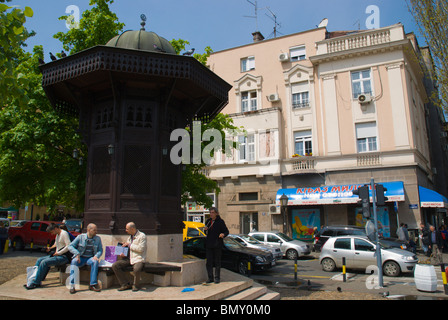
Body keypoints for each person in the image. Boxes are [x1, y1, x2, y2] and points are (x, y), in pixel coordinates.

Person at [25, 223, 72, 289]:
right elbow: (56, 244)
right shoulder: (58, 234)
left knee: (44, 262)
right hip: (57, 255)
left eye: (52, 232)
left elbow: (68, 246)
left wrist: (59, 253)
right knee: (39, 260)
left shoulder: (64, 233)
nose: (52, 234)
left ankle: (36, 283)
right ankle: (34, 279)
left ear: (56, 229)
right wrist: (49, 248)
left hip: (64, 257)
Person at [68, 223, 103, 294]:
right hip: (80, 257)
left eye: (96, 230)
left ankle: (92, 284)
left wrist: (96, 256)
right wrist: (77, 253)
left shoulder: (97, 239)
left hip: (90, 258)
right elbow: (70, 246)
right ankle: (72, 285)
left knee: (95, 262)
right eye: (94, 230)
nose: (96, 231)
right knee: (74, 262)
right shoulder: (80, 237)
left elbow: (100, 250)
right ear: (89, 230)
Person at [112, 222, 147, 291]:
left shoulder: (142, 236)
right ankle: (125, 284)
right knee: (115, 265)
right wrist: (123, 253)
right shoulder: (129, 237)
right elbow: (129, 249)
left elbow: (141, 249)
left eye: (127, 229)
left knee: (137, 269)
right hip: (129, 258)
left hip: (138, 258)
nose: (126, 230)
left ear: (132, 229)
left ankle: (136, 285)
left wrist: (129, 245)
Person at [204, 207, 229, 284]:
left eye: (212, 212)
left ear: (216, 213)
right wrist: (205, 230)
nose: (211, 214)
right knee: (209, 262)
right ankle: (210, 277)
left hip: (217, 244)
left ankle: (217, 278)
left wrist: (223, 234)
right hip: (209, 245)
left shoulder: (220, 222)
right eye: (210, 212)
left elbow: (226, 231)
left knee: (217, 262)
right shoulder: (208, 221)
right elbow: (205, 233)